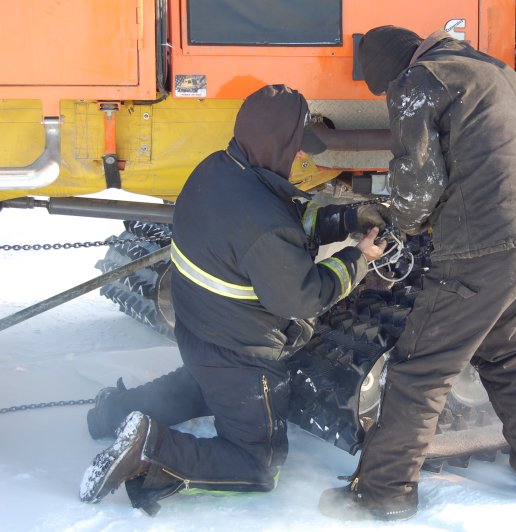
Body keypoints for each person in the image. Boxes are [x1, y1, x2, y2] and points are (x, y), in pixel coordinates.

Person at [79, 84, 388, 515]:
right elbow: (301, 296)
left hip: (200, 333)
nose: (301, 152)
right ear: (284, 143)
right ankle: (151, 447)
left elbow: (280, 227)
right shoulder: (264, 220)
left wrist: (349, 218)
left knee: (202, 387)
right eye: (299, 140)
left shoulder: (218, 170)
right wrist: (358, 258)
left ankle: (112, 413)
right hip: (241, 353)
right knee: (257, 464)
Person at [318, 26, 516, 521]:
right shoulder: (497, 75)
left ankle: (384, 492)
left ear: (394, 71)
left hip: (484, 248)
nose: (389, 95)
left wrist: (396, 224)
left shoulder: (418, 81)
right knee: (503, 354)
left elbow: (419, 183)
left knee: (420, 370)